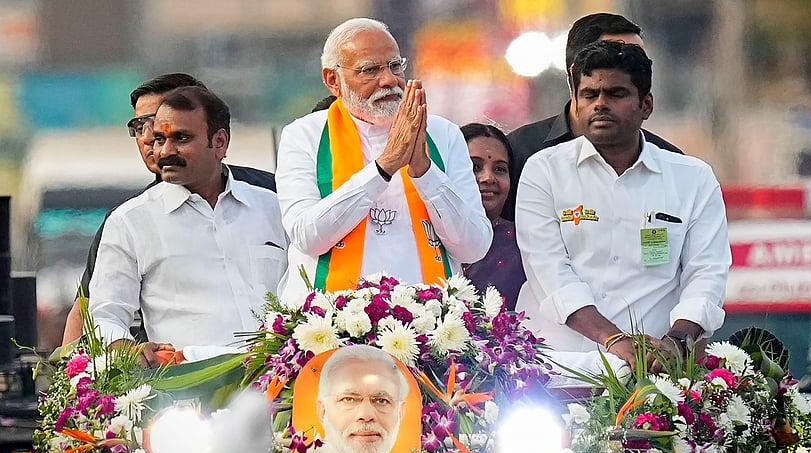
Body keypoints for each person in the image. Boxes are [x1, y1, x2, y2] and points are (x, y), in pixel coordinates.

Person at [515, 40, 730, 375]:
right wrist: (614, 339)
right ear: (575, 102)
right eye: (589, 95)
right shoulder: (544, 171)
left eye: (615, 94)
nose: (600, 104)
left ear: (645, 105)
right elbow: (549, 272)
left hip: (654, 375)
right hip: (557, 371)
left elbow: (707, 274)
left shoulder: (693, 179)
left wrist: (677, 341)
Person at [275, 17, 491, 304]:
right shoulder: (304, 136)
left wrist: (425, 172)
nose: (389, 80)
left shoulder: (443, 134)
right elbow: (307, 236)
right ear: (332, 80)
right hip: (328, 328)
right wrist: (384, 167)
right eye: (370, 70)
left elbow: (475, 246)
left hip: (432, 330)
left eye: (394, 65)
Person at [61, 73, 276, 348]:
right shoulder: (127, 221)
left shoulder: (273, 199)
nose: (152, 139)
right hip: (185, 382)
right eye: (142, 127)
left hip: (284, 378)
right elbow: (96, 313)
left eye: (177, 131)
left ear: (218, 139)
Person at [503, 12, 682, 221]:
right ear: (576, 73)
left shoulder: (673, 165)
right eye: (616, 55)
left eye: (640, 61)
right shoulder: (520, 154)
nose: (634, 67)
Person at [305, 345, 408, 453]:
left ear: (400, 412)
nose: (366, 415)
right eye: (349, 399)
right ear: (322, 410)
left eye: (381, 400)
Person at [460, 123, 525, 309]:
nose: (488, 178)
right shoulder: (422, 235)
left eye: (500, 169)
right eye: (475, 167)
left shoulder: (525, 243)